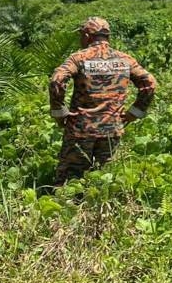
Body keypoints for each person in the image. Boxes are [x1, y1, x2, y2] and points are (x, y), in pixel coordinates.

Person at [49, 17, 157, 185]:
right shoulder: (124, 59)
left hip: (81, 129)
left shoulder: (79, 58)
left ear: (86, 35)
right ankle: (99, 208)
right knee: (104, 180)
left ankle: (68, 209)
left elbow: (57, 80)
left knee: (69, 181)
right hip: (112, 130)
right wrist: (134, 112)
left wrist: (59, 113)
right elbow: (150, 83)